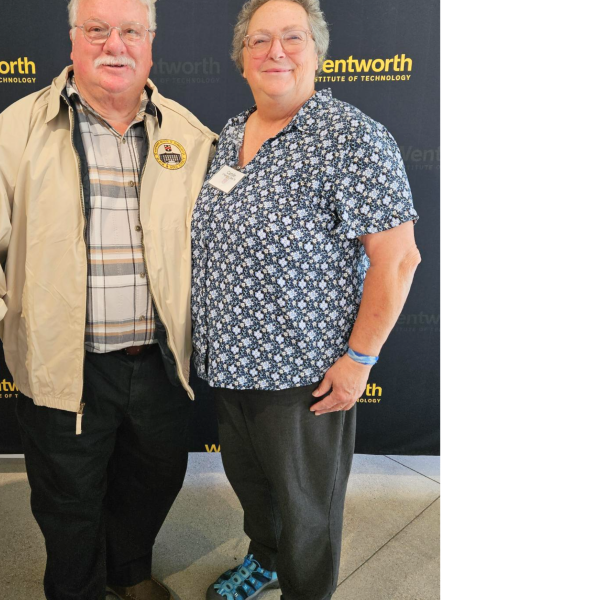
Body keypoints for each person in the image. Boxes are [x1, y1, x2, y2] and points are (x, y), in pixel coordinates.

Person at [0, 0, 217, 598]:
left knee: (152, 481)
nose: (116, 44)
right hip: (67, 364)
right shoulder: (21, 128)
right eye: (97, 30)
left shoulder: (188, 135)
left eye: (131, 31)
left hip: (162, 365)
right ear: (73, 43)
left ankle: (129, 572)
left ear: (150, 44)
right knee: (68, 502)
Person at [190, 1, 422, 599]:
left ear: (316, 51)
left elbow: (398, 260)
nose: (276, 51)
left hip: (304, 377)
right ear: (242, 57)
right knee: (253, 488)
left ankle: (305, 590)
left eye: (292, 38)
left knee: (307, 509)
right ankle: (264, 561)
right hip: (229, 367)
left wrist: (359, 362)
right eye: (260, 40)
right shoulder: (230, 135)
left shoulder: (353, 138)